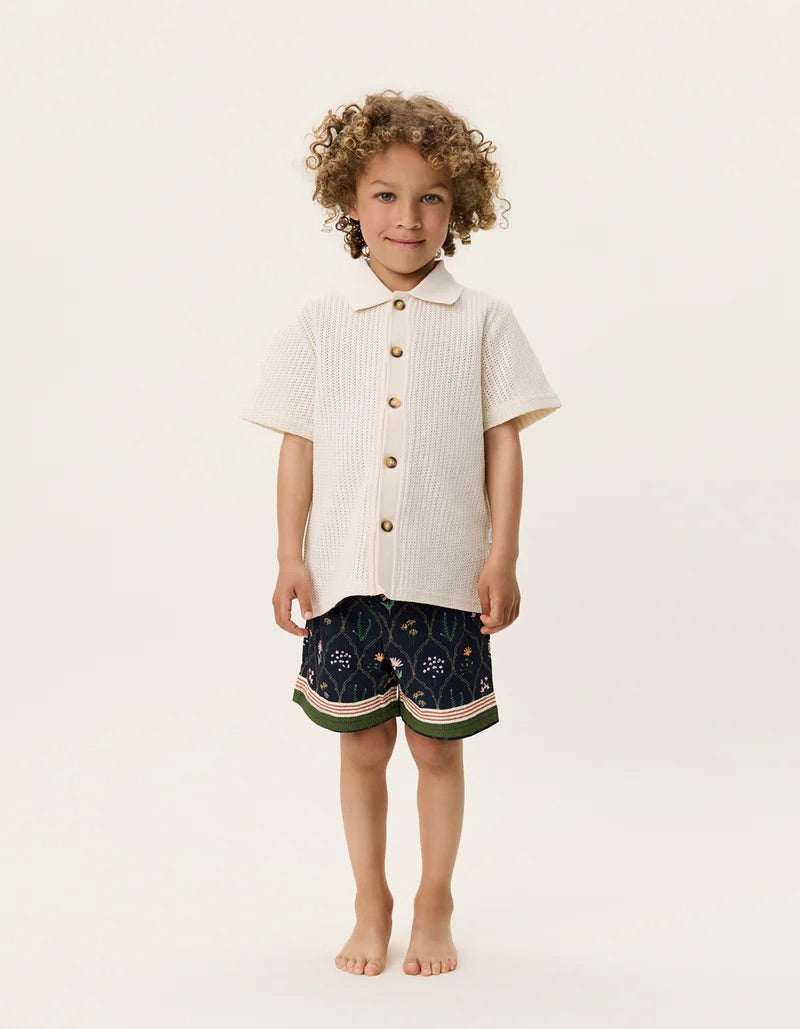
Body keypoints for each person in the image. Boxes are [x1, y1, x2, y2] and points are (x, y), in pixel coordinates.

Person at [239, 90, 563, 977]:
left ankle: (435, 900)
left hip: (445, 577)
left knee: (436, 748)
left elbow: (503, 445)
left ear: (459, 207)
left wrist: (502, 554)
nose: (407, 218)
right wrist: (289, 553)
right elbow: (298, 446)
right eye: (385, 195)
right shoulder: (318, 322)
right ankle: (369, 899)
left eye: (430, 198)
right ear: (349, 200)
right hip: (342, 577)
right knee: (361, 746)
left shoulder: (485, 320)